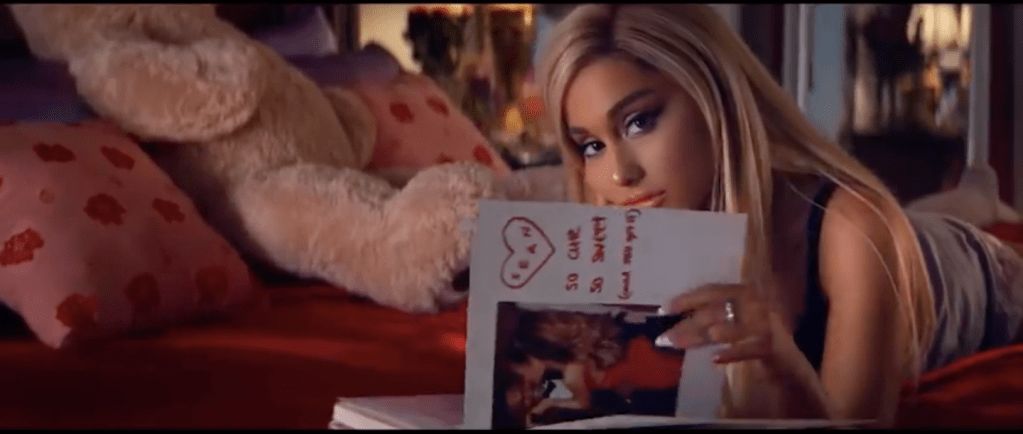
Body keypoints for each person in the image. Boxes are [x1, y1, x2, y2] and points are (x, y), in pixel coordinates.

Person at [536, 4, 1023, 427]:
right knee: (934, 213)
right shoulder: (616, 227)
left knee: (963, 229)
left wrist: (782, 364)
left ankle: (977, 197)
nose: (619, 174)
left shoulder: (853, 227)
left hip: (980, 274)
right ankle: (973, 195)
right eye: (592, 145)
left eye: (640, 121)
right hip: (900, 229)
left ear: (715, 97)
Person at [502, 309, 684, 427]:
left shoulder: (571, 370)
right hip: (644, 358)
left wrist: (546, 405)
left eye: (519, 375)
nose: (525, 381)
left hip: (652, 369)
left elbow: (581, 403)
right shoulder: (573, 363)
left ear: (532, 357)